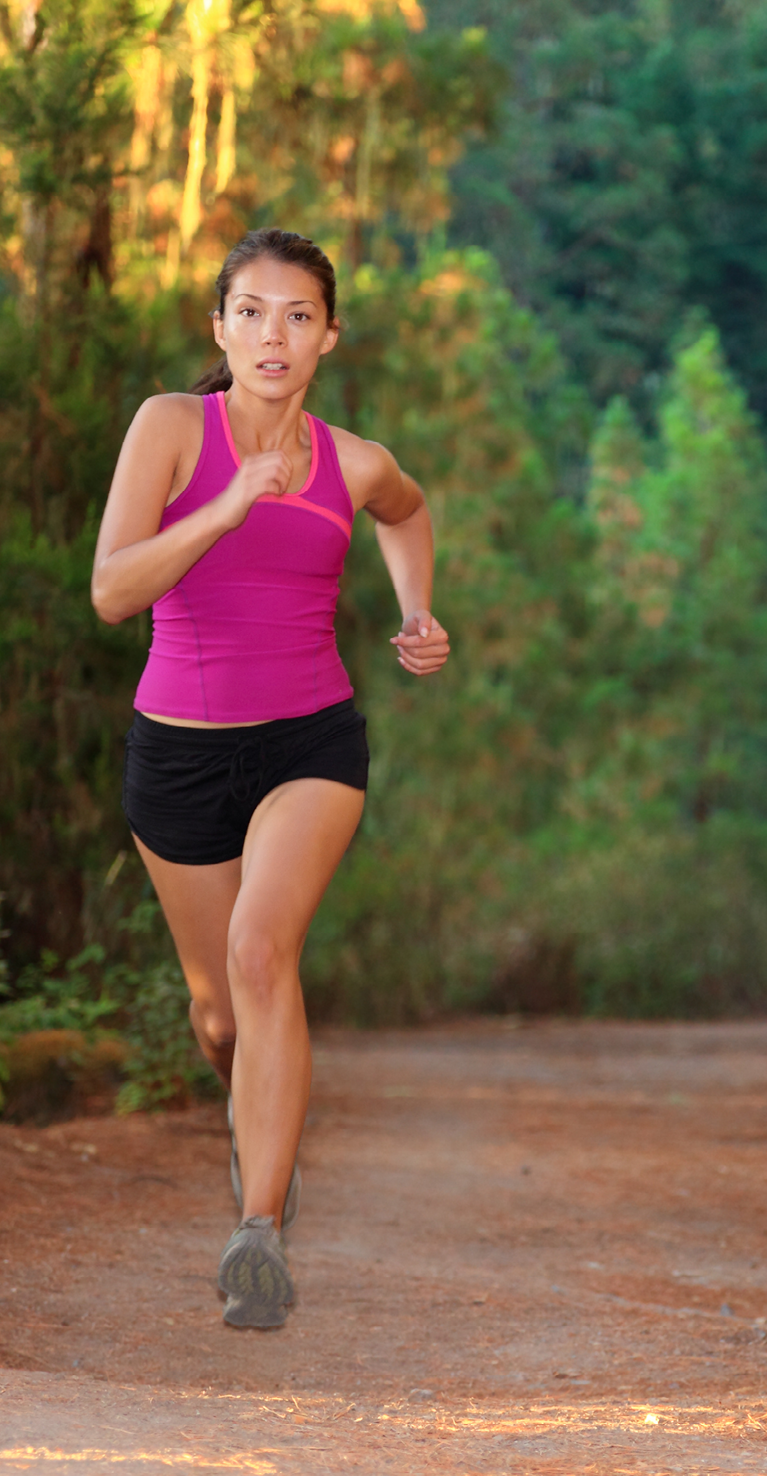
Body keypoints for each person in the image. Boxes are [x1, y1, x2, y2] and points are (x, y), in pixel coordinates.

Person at [91, 228, 448, 1329]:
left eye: (296, 315)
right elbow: (111, 591)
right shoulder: (167, 428)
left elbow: (408, 511)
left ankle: (258, 1230)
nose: (271, 334)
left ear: (328, 336)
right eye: (249, 311)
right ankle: (254, 1119)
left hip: (309, 742)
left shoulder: (354, 461)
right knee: (218, 1012)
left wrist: (414, 607)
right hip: (180, 751)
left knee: (262, 949)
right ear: (219, 326)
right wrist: (228, 505)